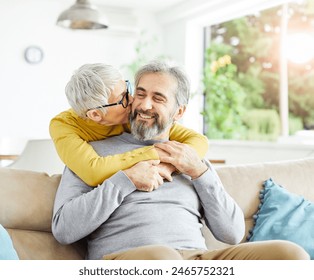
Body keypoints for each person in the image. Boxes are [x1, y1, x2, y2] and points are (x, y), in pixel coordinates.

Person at [52, 60, 310, 260]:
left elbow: (232, 234)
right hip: (133, 260)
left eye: (158, 98)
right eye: (139, 94)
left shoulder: (189, 156)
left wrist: (199, 172)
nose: (144, 105)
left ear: (179, 112)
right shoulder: (92, 154)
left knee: (290, 255)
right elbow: (63, 230)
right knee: (162, 258)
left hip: (196, 260)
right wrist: (125, 180)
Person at [49, 63, 208, 187]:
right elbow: (93, 171)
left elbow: (198, 140)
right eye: (123, 98)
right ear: (96, 115)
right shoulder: (63, 125)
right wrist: (156, 153)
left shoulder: (131, 114)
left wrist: (169, 166)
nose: (133, 100)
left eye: (128, 90)